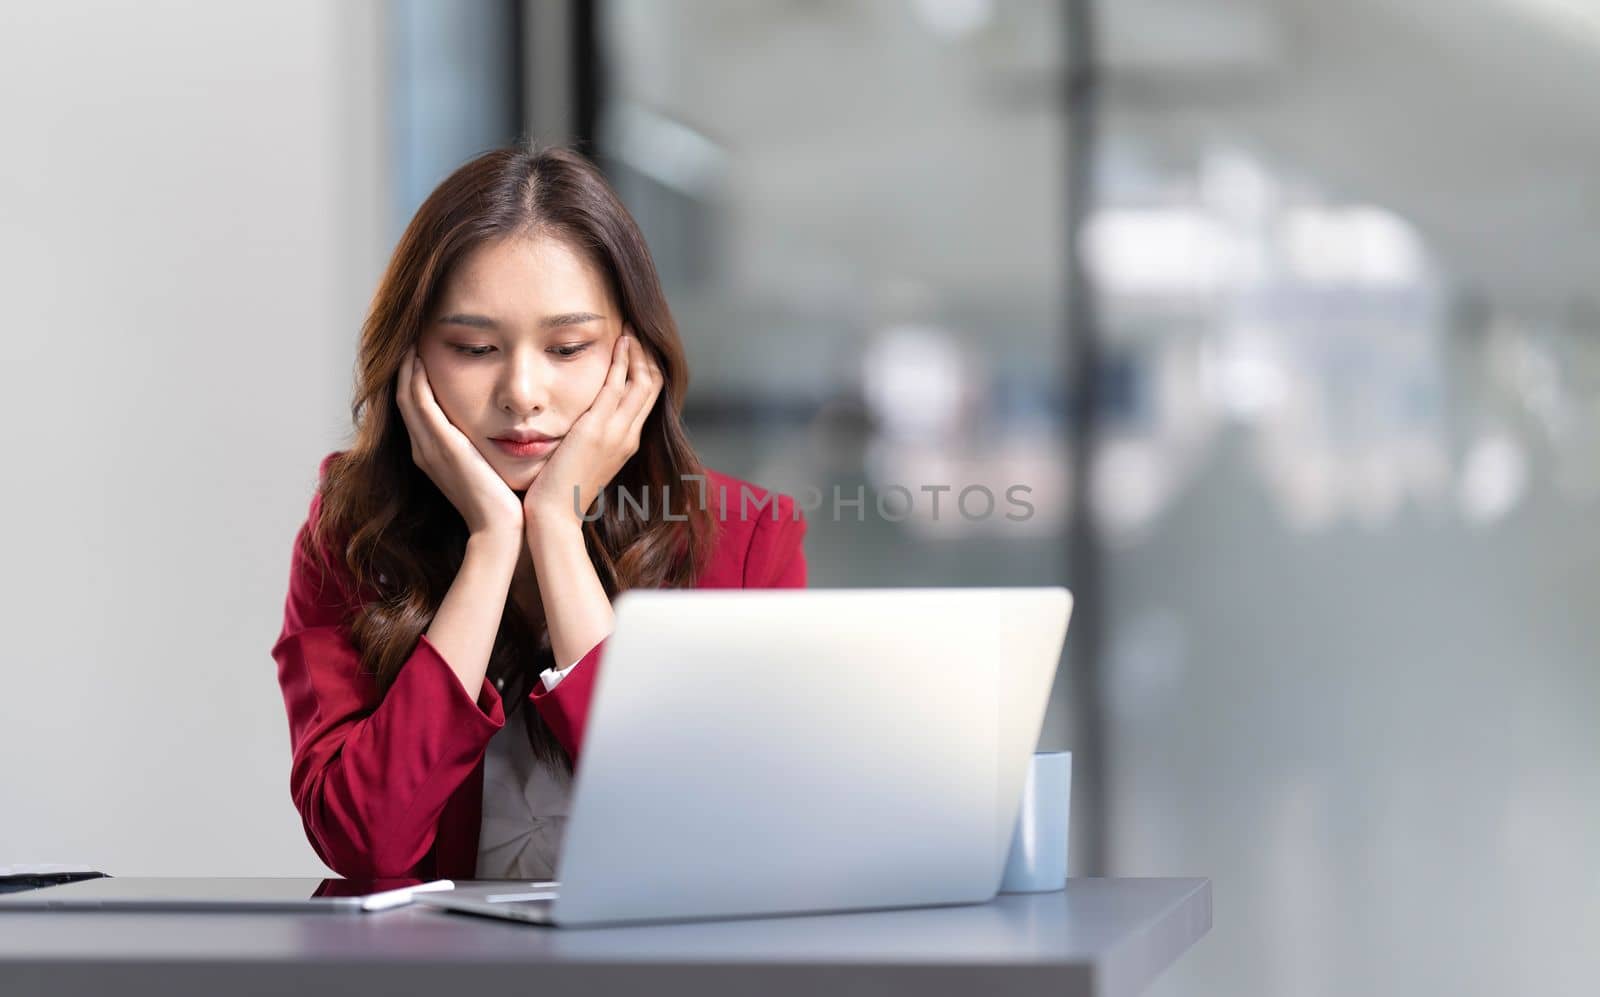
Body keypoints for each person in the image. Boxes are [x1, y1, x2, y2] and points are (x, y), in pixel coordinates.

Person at [271, 143, 807, 881]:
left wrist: (556, 527)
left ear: (632, 356)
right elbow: (365, 838)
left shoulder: (749, 539)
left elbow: (691, 838)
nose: (522, 391)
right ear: (412, 357)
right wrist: (492, 547)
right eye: (475, 346)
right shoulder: (353, 533)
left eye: (567, 347)